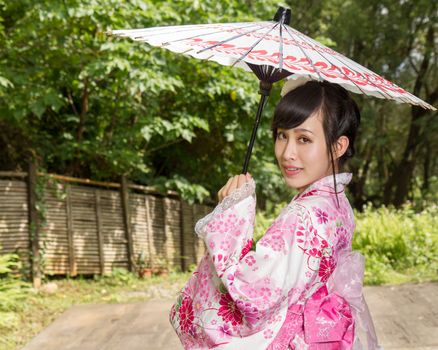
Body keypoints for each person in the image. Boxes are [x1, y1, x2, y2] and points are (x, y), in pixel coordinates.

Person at [169, 77, 381, 349]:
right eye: (282, 135)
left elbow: (253, 291)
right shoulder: (336, 202)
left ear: (338, 146)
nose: (287, 152)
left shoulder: (306, 215)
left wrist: (230, 217)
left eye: (304, 139)